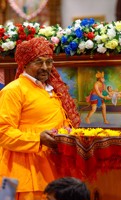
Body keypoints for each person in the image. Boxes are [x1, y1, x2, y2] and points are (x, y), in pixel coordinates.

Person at [0, 37, 81, 200]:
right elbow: (3, 133)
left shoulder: (52, 89)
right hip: (21, 171)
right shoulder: (13, 90)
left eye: (49, 62)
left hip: (51, 165)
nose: (45, 68)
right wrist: (38, 139)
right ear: (25, 64)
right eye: (38, 62)